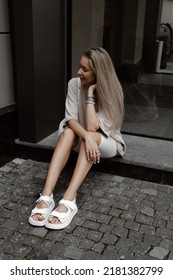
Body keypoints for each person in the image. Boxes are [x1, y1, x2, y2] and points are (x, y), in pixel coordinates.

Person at [29, 47, 126, 230]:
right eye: (79, 67)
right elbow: (71, 119)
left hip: (107, 142)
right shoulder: (74, 84)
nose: (78, 72)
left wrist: (90, 95)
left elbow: (92, 127)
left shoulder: (113, 91)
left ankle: (69, 199)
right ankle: (46, 196)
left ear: (99, 73)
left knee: (90, 135)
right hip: (79, 136)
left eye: (85, 69)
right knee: (67, 131)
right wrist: (86, 137)